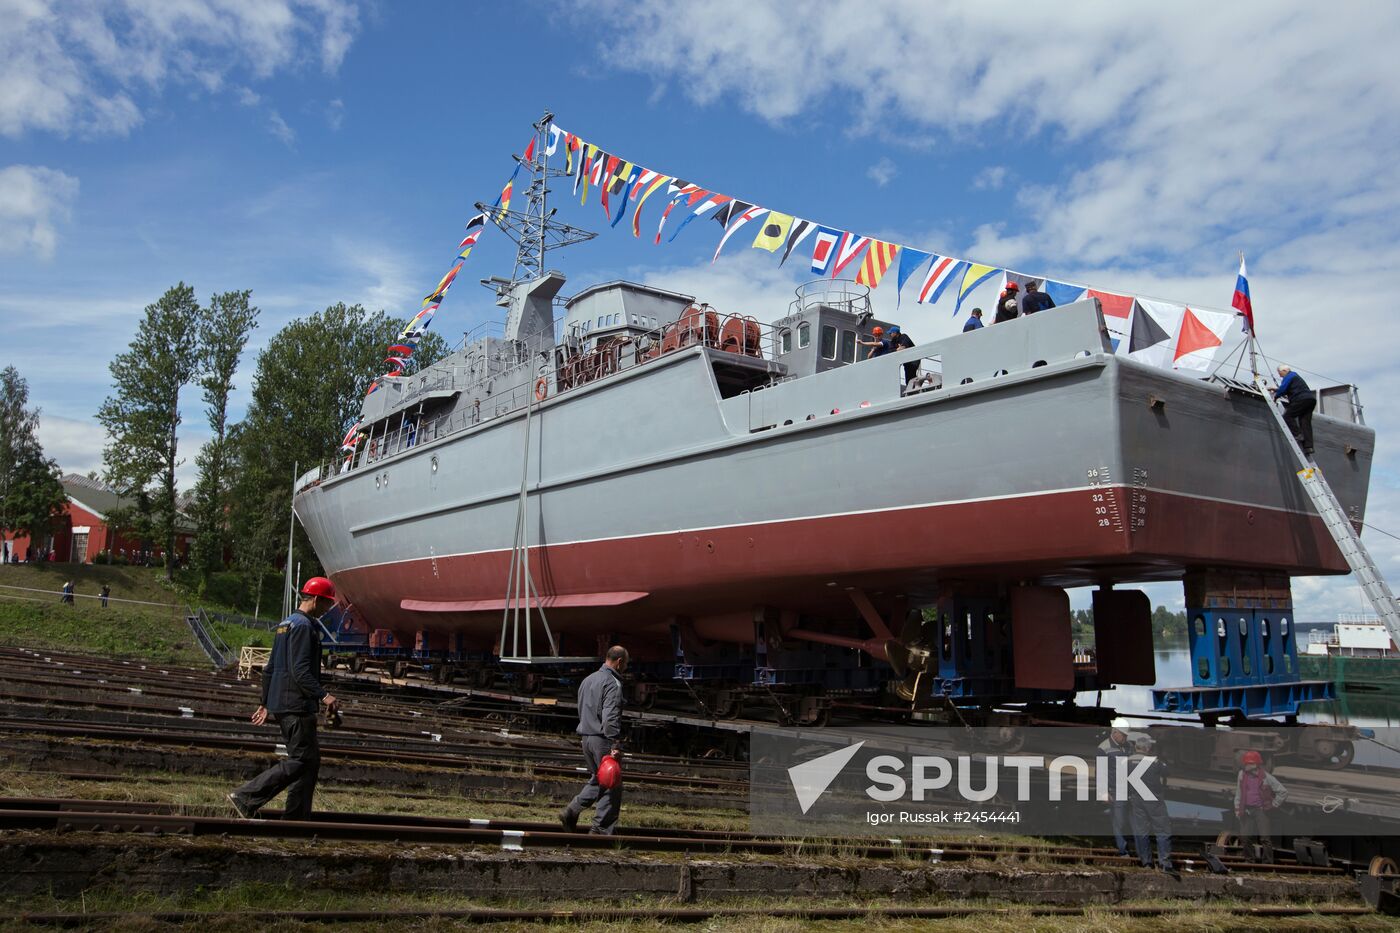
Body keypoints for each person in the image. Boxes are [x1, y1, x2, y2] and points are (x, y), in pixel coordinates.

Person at [228, 576, 339, 821]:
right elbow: (300, 670)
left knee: (309, 762)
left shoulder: (285, 624)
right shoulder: (304, 626)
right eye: (327, 604)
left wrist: (265, 703)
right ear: (318, 600)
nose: (328, 610)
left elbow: (270, 668)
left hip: (283, 703)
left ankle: (296, 819)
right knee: (301, 759)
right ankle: (247, 796)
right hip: (296, 704)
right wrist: (324, 696)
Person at [560, 645, 628, 835]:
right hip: (603, 739)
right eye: (626, 664)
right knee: (611, 783)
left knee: (599, 779)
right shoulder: (612, 683)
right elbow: (610, 716)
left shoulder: (588, 680)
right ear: (620, 662)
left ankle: (572, 810)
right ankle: (601, 830)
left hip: (586, 737)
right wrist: (614, 742)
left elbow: (581, 708)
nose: (626, 668)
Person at [1128, 733, 1173, 872]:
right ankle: (1164, 863)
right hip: (1153, 799)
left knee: (1142, 831)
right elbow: (1167, 771)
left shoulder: (1127, 761)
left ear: (1136, 747)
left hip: (1136, 799)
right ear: (1147, 749)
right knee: (1162, 830)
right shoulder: (1154, 762)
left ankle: (1146, 862)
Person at [1234, 750, 1288, 862]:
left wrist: (1274, 804)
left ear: (1255, 765)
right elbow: (1239, 793)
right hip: (1247, 810)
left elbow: (1283, 791)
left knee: (1265, 839)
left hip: (1261, 811)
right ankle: (1249, 860)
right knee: (1245, 838)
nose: (1246, 766)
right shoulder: (1241, 775)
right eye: (1246, 763)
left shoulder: (1266, 777)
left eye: (1249, 764)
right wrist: (1237, 809)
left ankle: (1268, 862)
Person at [1098, 718, 1135, 858]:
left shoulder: (1128, 746)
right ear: (1115, 732)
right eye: (1123, 735)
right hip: (1116, 790)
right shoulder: (1103, 747)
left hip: (1130, 789)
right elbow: (1100, 772)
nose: (1125, 737)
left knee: (1134, 821)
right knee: (1118, 822)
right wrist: (1103, 792)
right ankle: (1123, 850)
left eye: (1126, 735)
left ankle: (1137, 848)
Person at [1273, 365, 1316, 456]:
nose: (1280, 376)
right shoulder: (1295, 376)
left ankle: (1297, 435)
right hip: (1310, 399)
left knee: (1288, 416)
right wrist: (1276, 389)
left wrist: (1275, 396)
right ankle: (1309, 447)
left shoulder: (1289, 376)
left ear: (1284, 370)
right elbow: (1289, 388)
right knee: (1305, 422)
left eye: (1280, 373)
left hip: (1301, 399)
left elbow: (1283, 389)